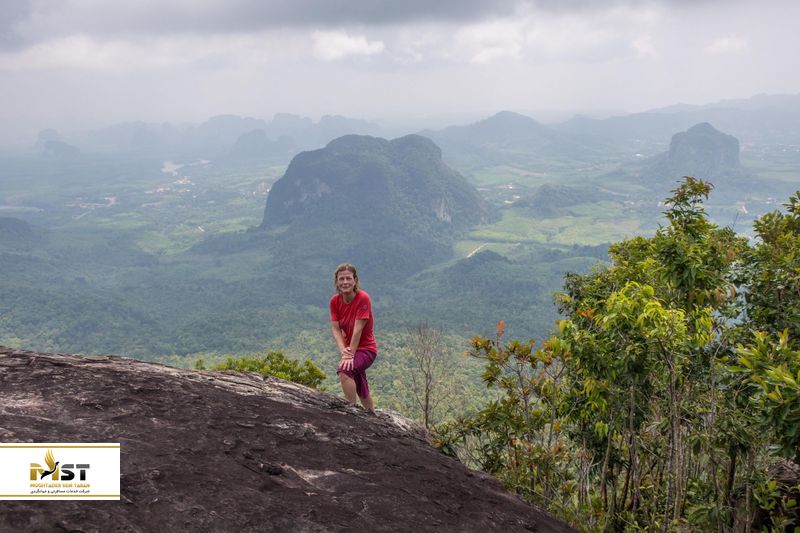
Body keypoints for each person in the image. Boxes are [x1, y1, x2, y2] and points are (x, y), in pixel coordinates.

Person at [329, 263, 377, 411]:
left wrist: (350, 355)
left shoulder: (363, 298)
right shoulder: (335, 301)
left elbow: (358, 329)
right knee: (361, 387)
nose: (345, 282)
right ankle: (372, 415)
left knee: (345, 371)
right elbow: (335, 329)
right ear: (336, 282)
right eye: (341, 279)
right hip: (350, 348)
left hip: (366, 349)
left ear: (355, 280)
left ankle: (352, 413)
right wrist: (344, 350)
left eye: (348, 278)